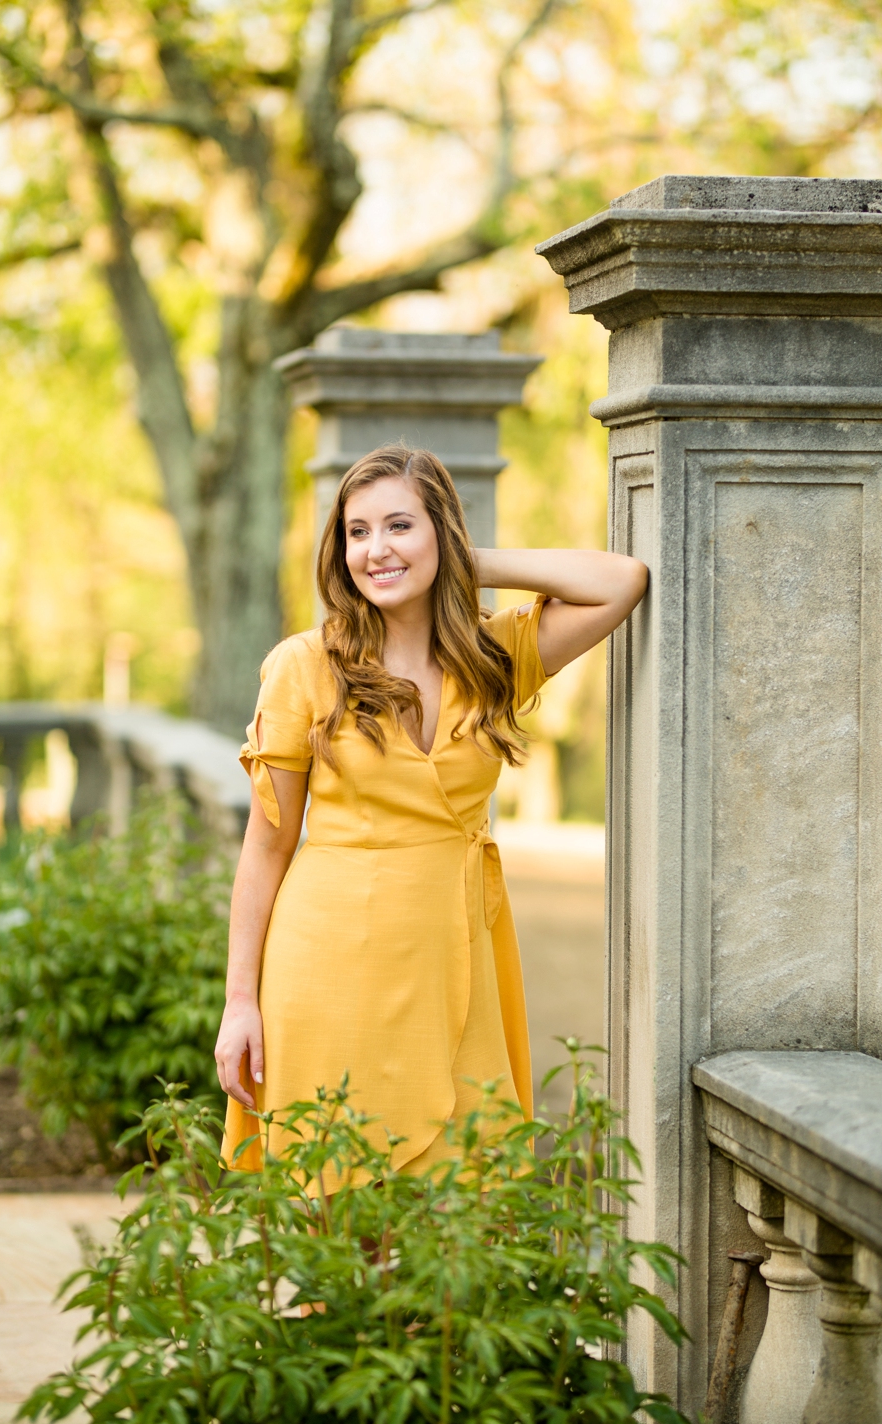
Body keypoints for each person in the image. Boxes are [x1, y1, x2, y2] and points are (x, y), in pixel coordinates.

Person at [214, 444, 646, 1174]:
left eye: (399, 526)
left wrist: (471, 561)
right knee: (340, 1210)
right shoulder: (304, 665)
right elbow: (266, 847)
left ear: (442, 532)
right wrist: (239, 1002)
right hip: (325, 964)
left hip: (457, 958)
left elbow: (622, 581)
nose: (375, 549)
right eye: (356, 531)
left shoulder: (493, 654)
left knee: (461, 1207)